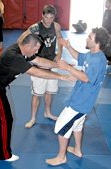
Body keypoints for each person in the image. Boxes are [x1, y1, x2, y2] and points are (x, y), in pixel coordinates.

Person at [0, 33, 72, 162]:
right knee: (4, 119)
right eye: (35, 49)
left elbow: (39, 61)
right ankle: (4, 154)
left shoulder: (21, 50)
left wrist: (58, 66)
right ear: (28, 45)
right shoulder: (14, 57)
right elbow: (36, 71)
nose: (37, 51)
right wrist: (61, 77)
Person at [45, 27, 110, 166]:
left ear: (97, 42)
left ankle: (61, 157)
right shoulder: (92, 54)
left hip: (81, 102)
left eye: (90, 37)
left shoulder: (99, 60)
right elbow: (79, 57)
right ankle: (78, 150)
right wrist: (68, 46)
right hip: (80, 98)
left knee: (62, 125)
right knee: (77, 126)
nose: (87, 38)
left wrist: (68, 68)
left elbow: (86, 78)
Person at [18, 5, 63, 128]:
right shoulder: (35, 27)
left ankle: (48, 112)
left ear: (54, 17)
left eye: (51, 17)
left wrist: (59, 53)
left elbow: (60, 40)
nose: (48, 20)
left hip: (52, 63)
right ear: (42, 16)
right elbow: (20, 40)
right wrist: (28, 54)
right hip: (39, 64)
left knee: (50, 91)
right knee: (37, 94)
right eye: (46, 17)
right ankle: (32, 118)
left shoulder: (56, 26)